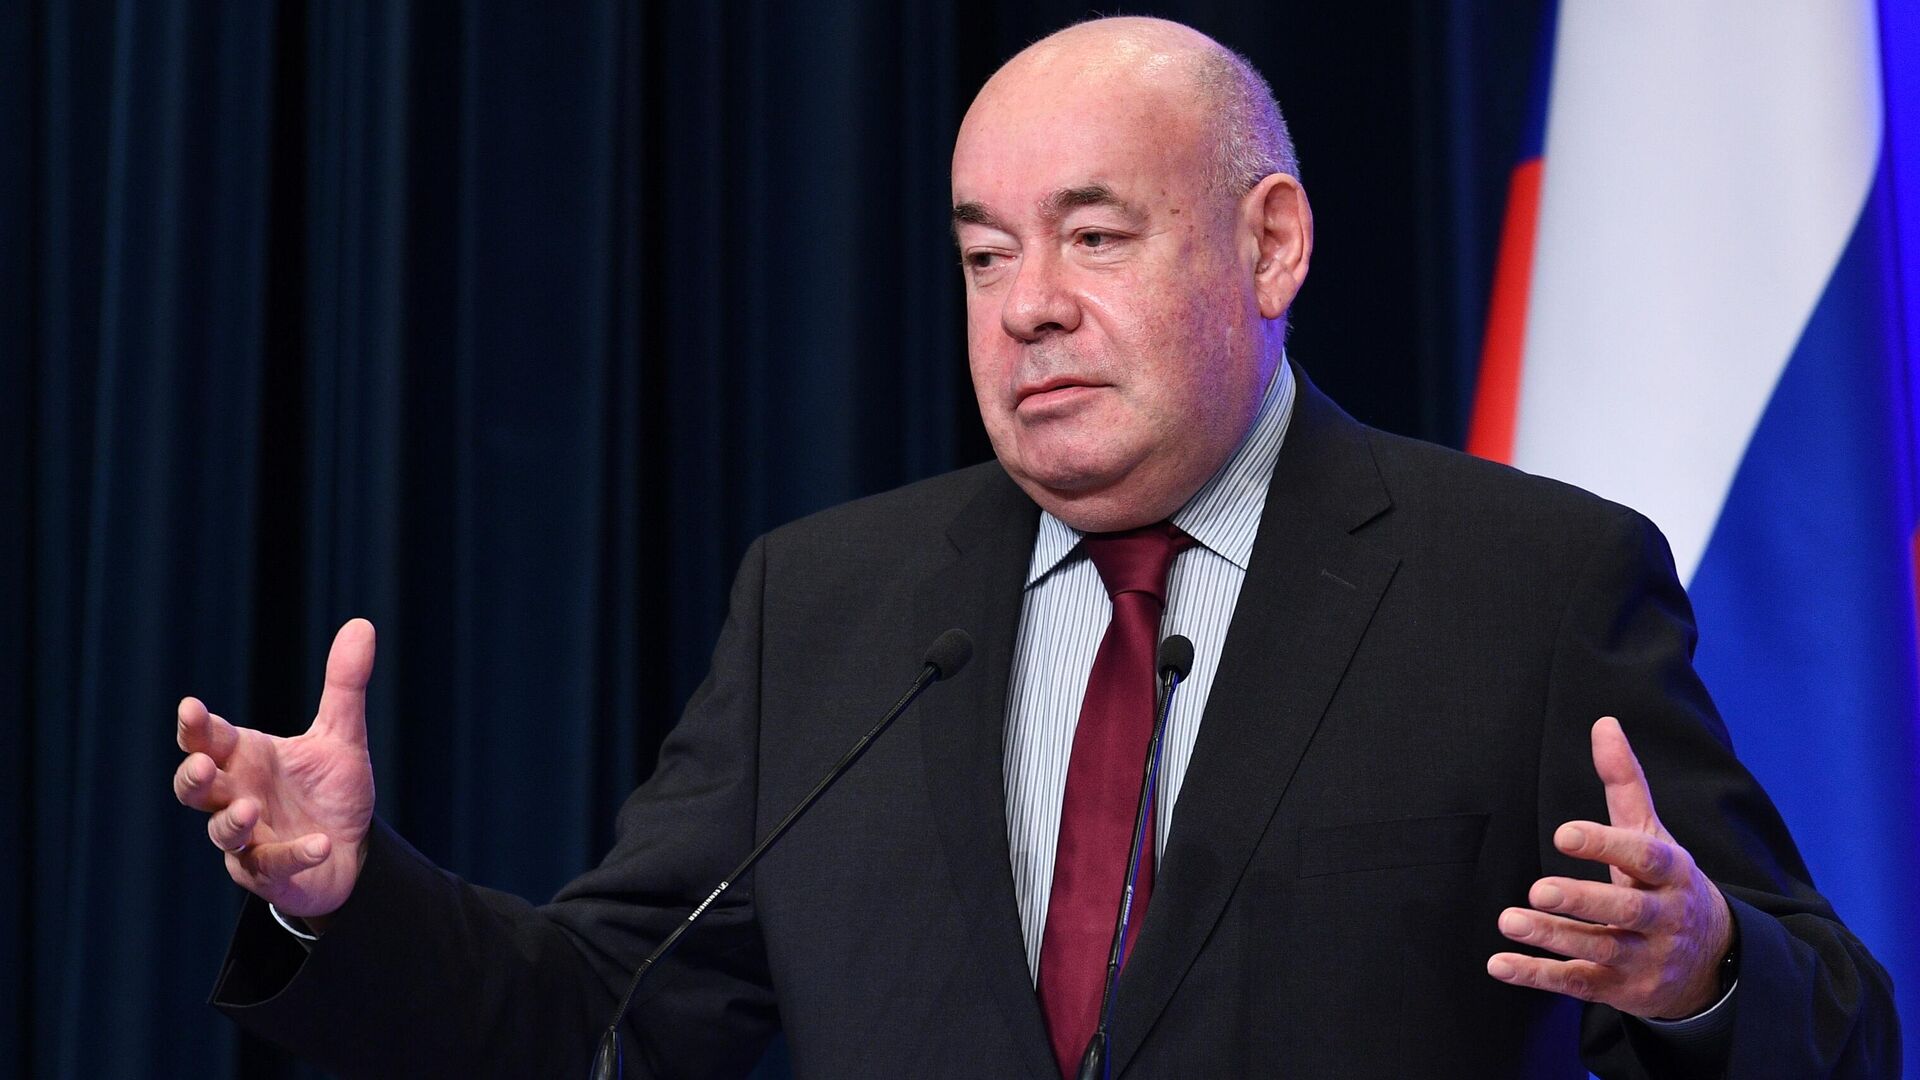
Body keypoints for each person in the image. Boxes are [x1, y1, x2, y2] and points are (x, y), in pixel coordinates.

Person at [174, 16, 1897, 1078]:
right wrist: (346, 902)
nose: (1029, 309)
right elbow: (604, 1017)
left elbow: (1838, 1021)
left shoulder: (1524, 589)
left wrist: (1698, 974)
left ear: (1271, 245)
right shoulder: (828, 606)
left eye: (1095, 236)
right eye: (987, 254)